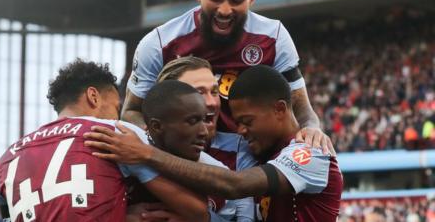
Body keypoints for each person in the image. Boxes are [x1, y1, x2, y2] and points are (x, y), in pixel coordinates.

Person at [122, 0, 333, 154]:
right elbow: (131, 111)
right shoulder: (158, 43)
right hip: (183, 161)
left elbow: (301, 108)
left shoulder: (274, 38)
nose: (224, 10)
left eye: (236, 0)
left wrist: (312, 128)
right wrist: (159, 148)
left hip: (253, 160)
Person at [85, 65, 343, 222]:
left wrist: (146, 155)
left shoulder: (311, 153)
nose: (240, 130)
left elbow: (234, 185)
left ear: (279, 110)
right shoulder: (263, 156)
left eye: (247, 121)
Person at [0, 60, 208, 222]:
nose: (118, 117)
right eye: (116, 108)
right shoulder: (113, 133)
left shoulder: (6, 157)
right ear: (93, 97)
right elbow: (197, 211)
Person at [154, 56, 255, 221]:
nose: (212, 102)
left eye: (214, 92)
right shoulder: (134, 149)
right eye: (198, 92)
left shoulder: (240, 150)